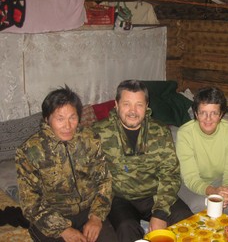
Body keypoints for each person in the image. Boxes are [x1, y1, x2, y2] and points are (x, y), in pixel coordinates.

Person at [92, 79, 193, 242]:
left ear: (147, 106)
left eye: (139, 104)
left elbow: (170, 174)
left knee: (186, 221)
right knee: (126, 228)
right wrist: (95, 214)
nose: (133, 111)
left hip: (153, 193)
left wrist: (160, 213)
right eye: (126, 104)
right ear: (116, 105)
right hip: (119, 197)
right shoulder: (98, 133)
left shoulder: (159, 131)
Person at [16, 85, 116, 242]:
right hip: (51, 215)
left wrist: (96, 217)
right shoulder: (29, 151)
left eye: (73, 117)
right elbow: (30, 202)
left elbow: (105, 180)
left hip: (89, 210)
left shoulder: (90, 139)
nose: (68, 126)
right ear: (47, 119)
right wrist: (62, 229)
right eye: (60, 118)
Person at [176, 87, 228, 221]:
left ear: (221, 114)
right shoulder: (185, 134)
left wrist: (226, 191)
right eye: (203, 113)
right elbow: (190, 177)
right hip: (189, 183)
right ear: (196, 113)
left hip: (222, 180)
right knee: (201, 205)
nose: (208, 119)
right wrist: (214, 193)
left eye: (214, 113)